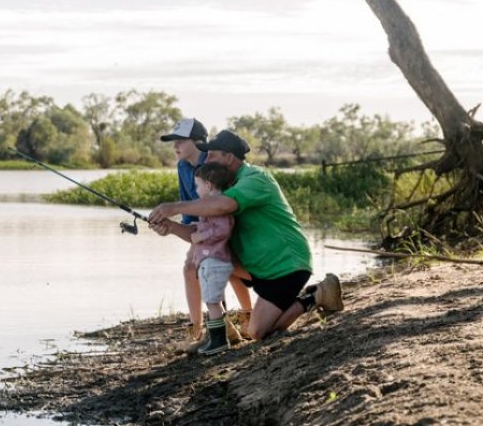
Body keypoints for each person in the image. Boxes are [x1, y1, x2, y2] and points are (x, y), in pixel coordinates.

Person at [147, 130, 344, 341]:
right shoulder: (221, 190)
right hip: (257, 268)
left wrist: (175, 207)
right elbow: (203, 235)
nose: (207, 159)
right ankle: (224, 327)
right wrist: (171, 227)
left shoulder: (254, 178)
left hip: (286, 266)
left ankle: (316, 294)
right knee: (206, 260)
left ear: (229, 157)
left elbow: (226, 205)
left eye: (212, 155)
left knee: (258, 332)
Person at [158, 119, 252, 347]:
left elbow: (223, 204)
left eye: (181, 141)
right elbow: (189, 209)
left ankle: (244, 317)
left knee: (214, 266)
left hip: (225, 227)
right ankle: (199, 329)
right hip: (205, 227)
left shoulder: (212, 162)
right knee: (193, 266)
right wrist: (175, 229)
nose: (175, 146)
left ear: (199, 142)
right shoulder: (182, 166)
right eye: (174, 142)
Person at [185, 163, 237, 355]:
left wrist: (201, 236)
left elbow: (222, 229)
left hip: (215, 261)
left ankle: (219, 341)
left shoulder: (217, 206)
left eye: (197, 185)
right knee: (210, 300)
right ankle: (215, 338)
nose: (195, 189)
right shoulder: (211, 206)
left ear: (208, 186)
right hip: (209, 262)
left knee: (212, 301)